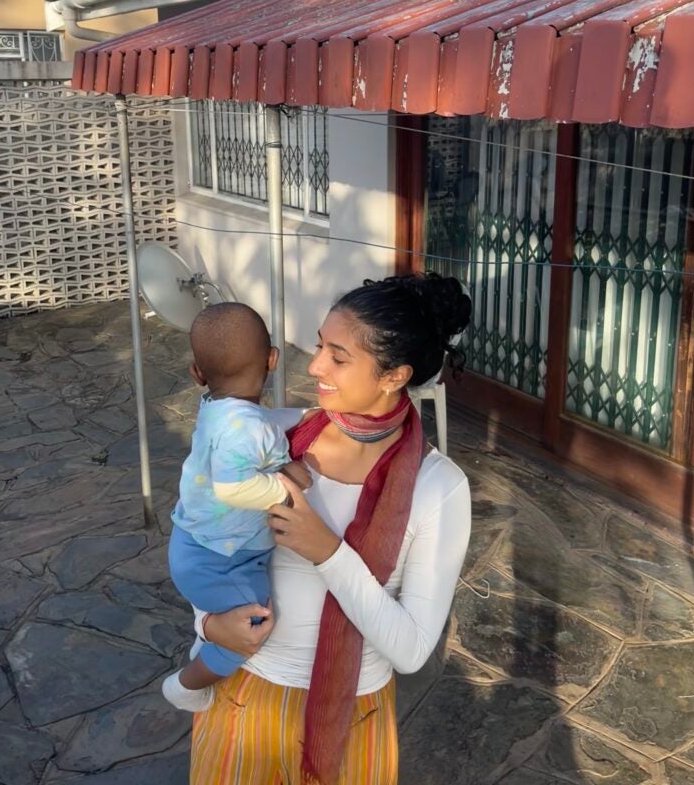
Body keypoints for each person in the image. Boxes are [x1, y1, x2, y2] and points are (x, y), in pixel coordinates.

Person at [188, 272, 473, 785]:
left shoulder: (438, 487)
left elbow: (410, 650)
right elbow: (201, 541)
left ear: (393, 375)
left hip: (350, 720)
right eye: (320, 345)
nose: (315, 365)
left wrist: (328, 552)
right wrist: (206, 625)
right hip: (243, 697)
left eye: (338, 357)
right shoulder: (271, 436)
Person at [162, 302, 310, 713]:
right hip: (220, 560)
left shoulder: (219, 408)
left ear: (197, 375)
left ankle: (206, 633)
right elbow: (232, 487)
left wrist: (307, 419)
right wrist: (284, 485)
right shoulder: (247, 427)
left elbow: (259, 430)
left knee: (230, 613)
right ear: (273, 359)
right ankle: (186, 685)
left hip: (199, 545)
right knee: (253, 628)